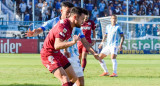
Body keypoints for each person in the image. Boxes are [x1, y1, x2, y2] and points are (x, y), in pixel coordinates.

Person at [41, 7, 101, 86]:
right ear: (75, 17)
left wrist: (66, 50)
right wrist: (73, 42)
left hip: (58, 54)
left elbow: (64, 40)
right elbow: (57, 45)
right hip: (48, 54)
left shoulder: (70, 26)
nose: (83, 22)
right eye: (82, 19)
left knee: (74, 78)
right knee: (65, 78)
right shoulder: (63, 27)